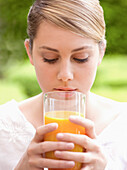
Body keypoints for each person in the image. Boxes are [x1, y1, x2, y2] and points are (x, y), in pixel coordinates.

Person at [0, 0, 127, 169]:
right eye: (49, 58)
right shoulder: (4, 126)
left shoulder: (122, 126)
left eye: (81, 58)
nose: (65, 75)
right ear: (30, 52)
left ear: (101, 52)